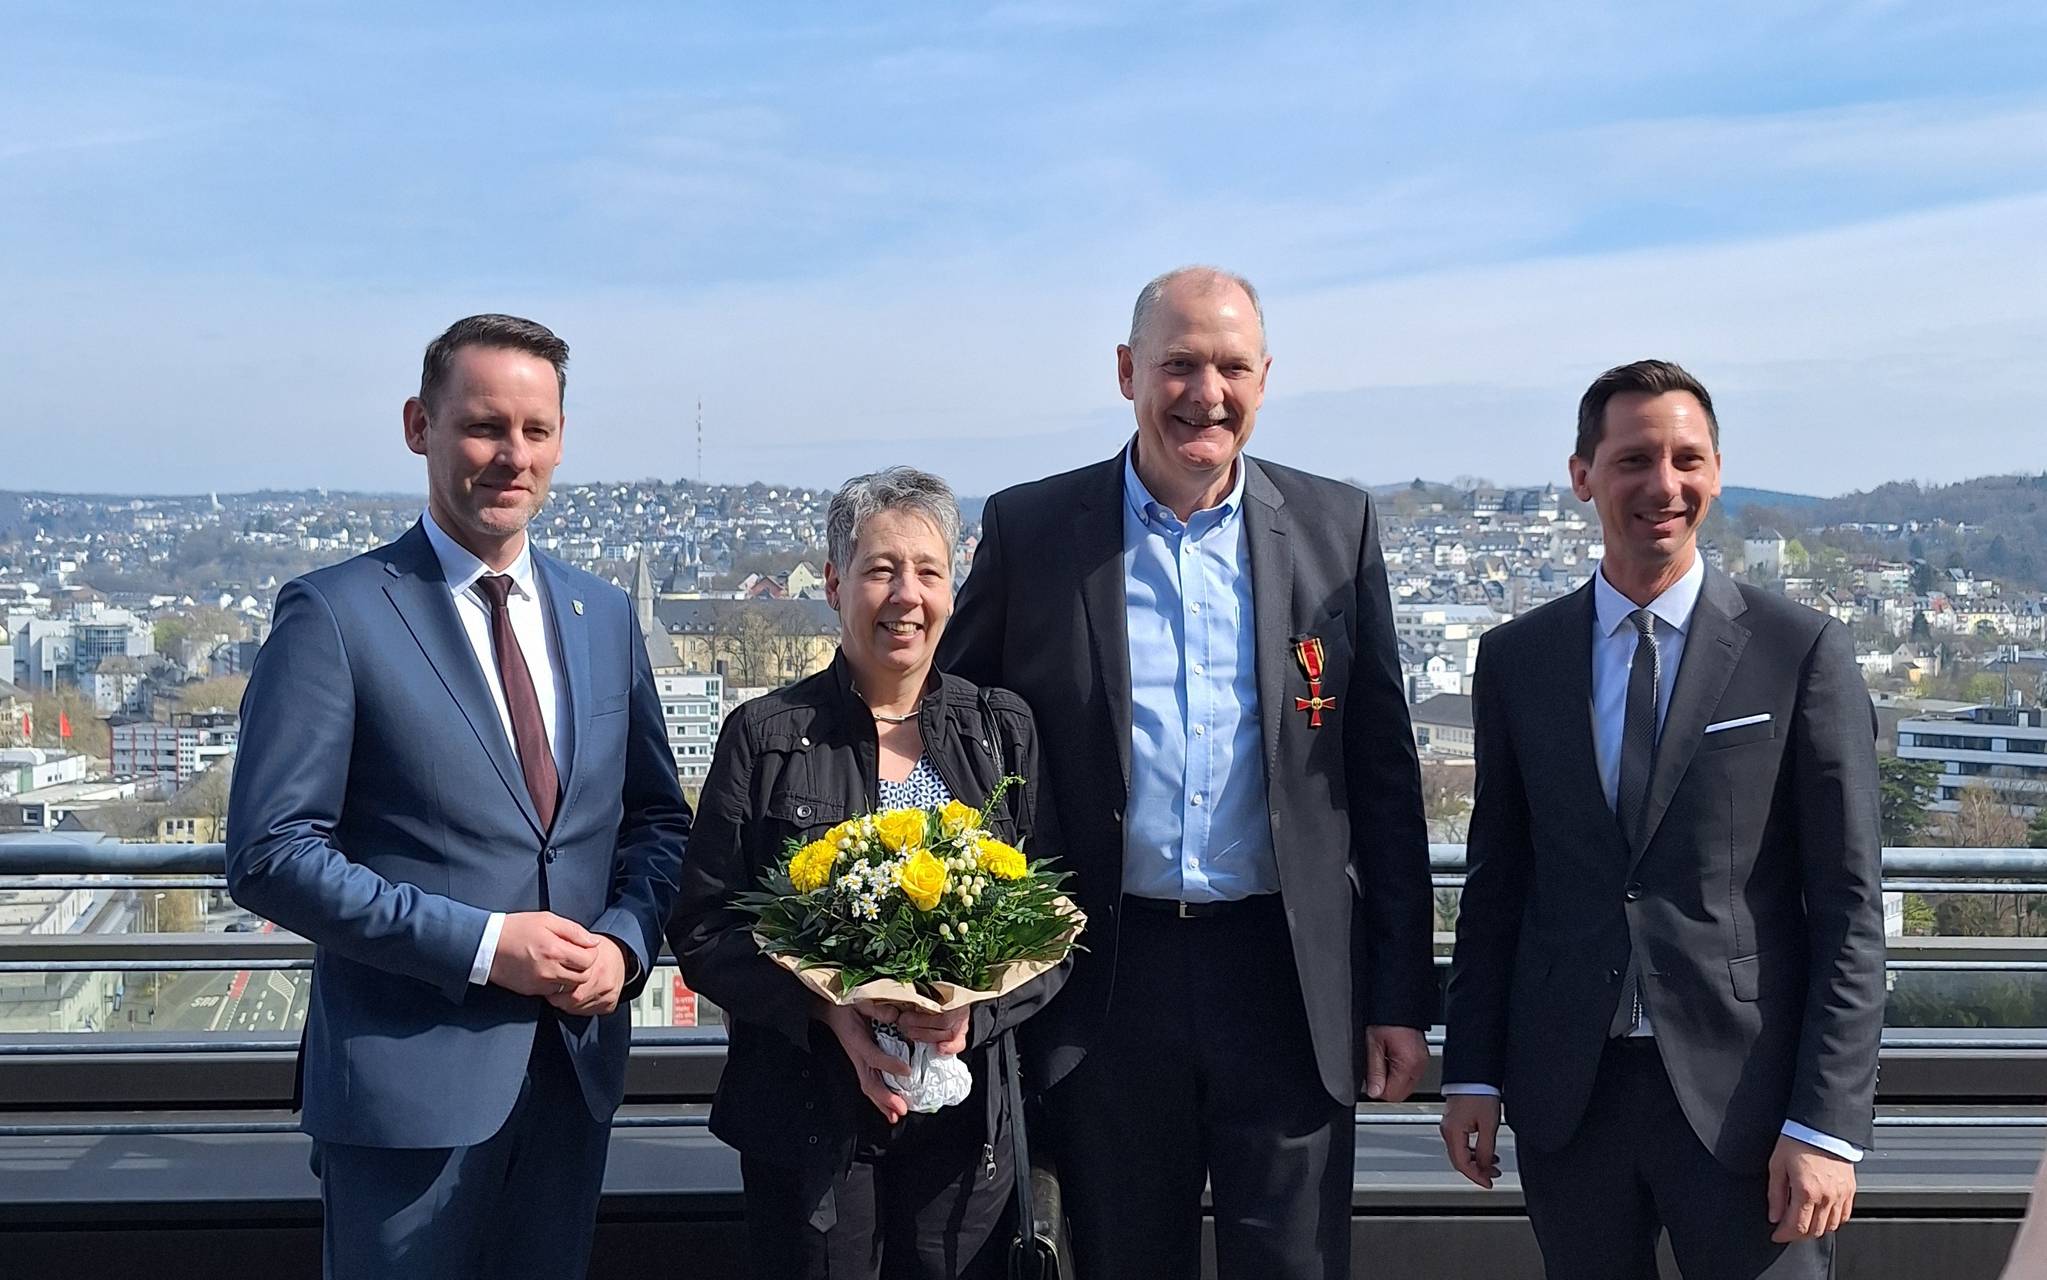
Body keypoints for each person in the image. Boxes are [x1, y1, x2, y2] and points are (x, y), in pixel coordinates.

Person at [940, 266, 1437, 1279]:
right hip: (1102, 980)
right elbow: (952, 741)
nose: (1203, 392)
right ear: (1127, 372)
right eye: (1177, 364)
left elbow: (1378, 780)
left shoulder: (1336, 529)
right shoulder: (1036, 531)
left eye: (1229, 366)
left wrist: (1398, 995)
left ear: (1264, 379)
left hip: (1286, 982)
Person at [226, 314, 691, 1278]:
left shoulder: (601, 616)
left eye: (536, 430)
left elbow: (655, 823)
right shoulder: (336, 614)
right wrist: (487, 947)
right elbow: (271, 854)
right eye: (483, 426)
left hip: (572, 1080)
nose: (511, 456)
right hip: (404, 1097)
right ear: (418, 425)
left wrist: (626, 944)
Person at [1440, 359, 1886, 1278]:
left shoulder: (1796, 651)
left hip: (1753, 1109)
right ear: (1582, 476)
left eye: (1687, 459)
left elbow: (1849, 907)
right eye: (1634, 458)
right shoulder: (1518, 661)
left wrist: (1826, 1125)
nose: (1663, 485)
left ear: (1717, 472)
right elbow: (1498, 884)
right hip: (1572, 1099)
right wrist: (1473, 1071)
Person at [670, 466, 1065, 1279]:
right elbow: (703, 928)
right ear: (833, 581)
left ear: (953, 585)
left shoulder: (1002, 732)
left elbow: (1055, 923)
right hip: (808, 1122)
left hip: (964, 1128)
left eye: (927, 571)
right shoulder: (766, 735)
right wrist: (827, 1011)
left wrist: (969, 1020)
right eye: (880, 569)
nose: (905, 596)